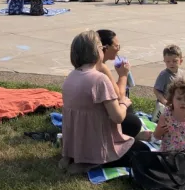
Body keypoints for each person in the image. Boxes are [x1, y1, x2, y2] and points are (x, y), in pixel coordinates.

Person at [59, 30, 152, 175]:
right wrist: (124, 104)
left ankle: (72, 158)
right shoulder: (99, 79)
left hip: (76, 144)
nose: (103, 49)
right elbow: (118, 117)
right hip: (97, 145)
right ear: (96, 51)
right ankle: (90, 163)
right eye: (101, 47)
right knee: (143, 151)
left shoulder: (71, 76)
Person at [97, 29, 142, 138]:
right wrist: (123, 75)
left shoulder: (88, 65)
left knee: (128, 107)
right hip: (101, 121)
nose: (118, 50)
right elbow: (118, 96)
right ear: (105, 48)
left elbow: (112, 90)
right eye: (116, 46)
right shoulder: (101, 68)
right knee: (133, 122)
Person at [153, 44, 184, 120]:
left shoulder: (181, 73)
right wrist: (164, 101)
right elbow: (156, 90)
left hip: (176, 104)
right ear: (164, 61)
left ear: (181, 61)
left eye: (174, 61)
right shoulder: (164, 75)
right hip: (165, 106)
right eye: (168, 61)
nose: (171, 63)